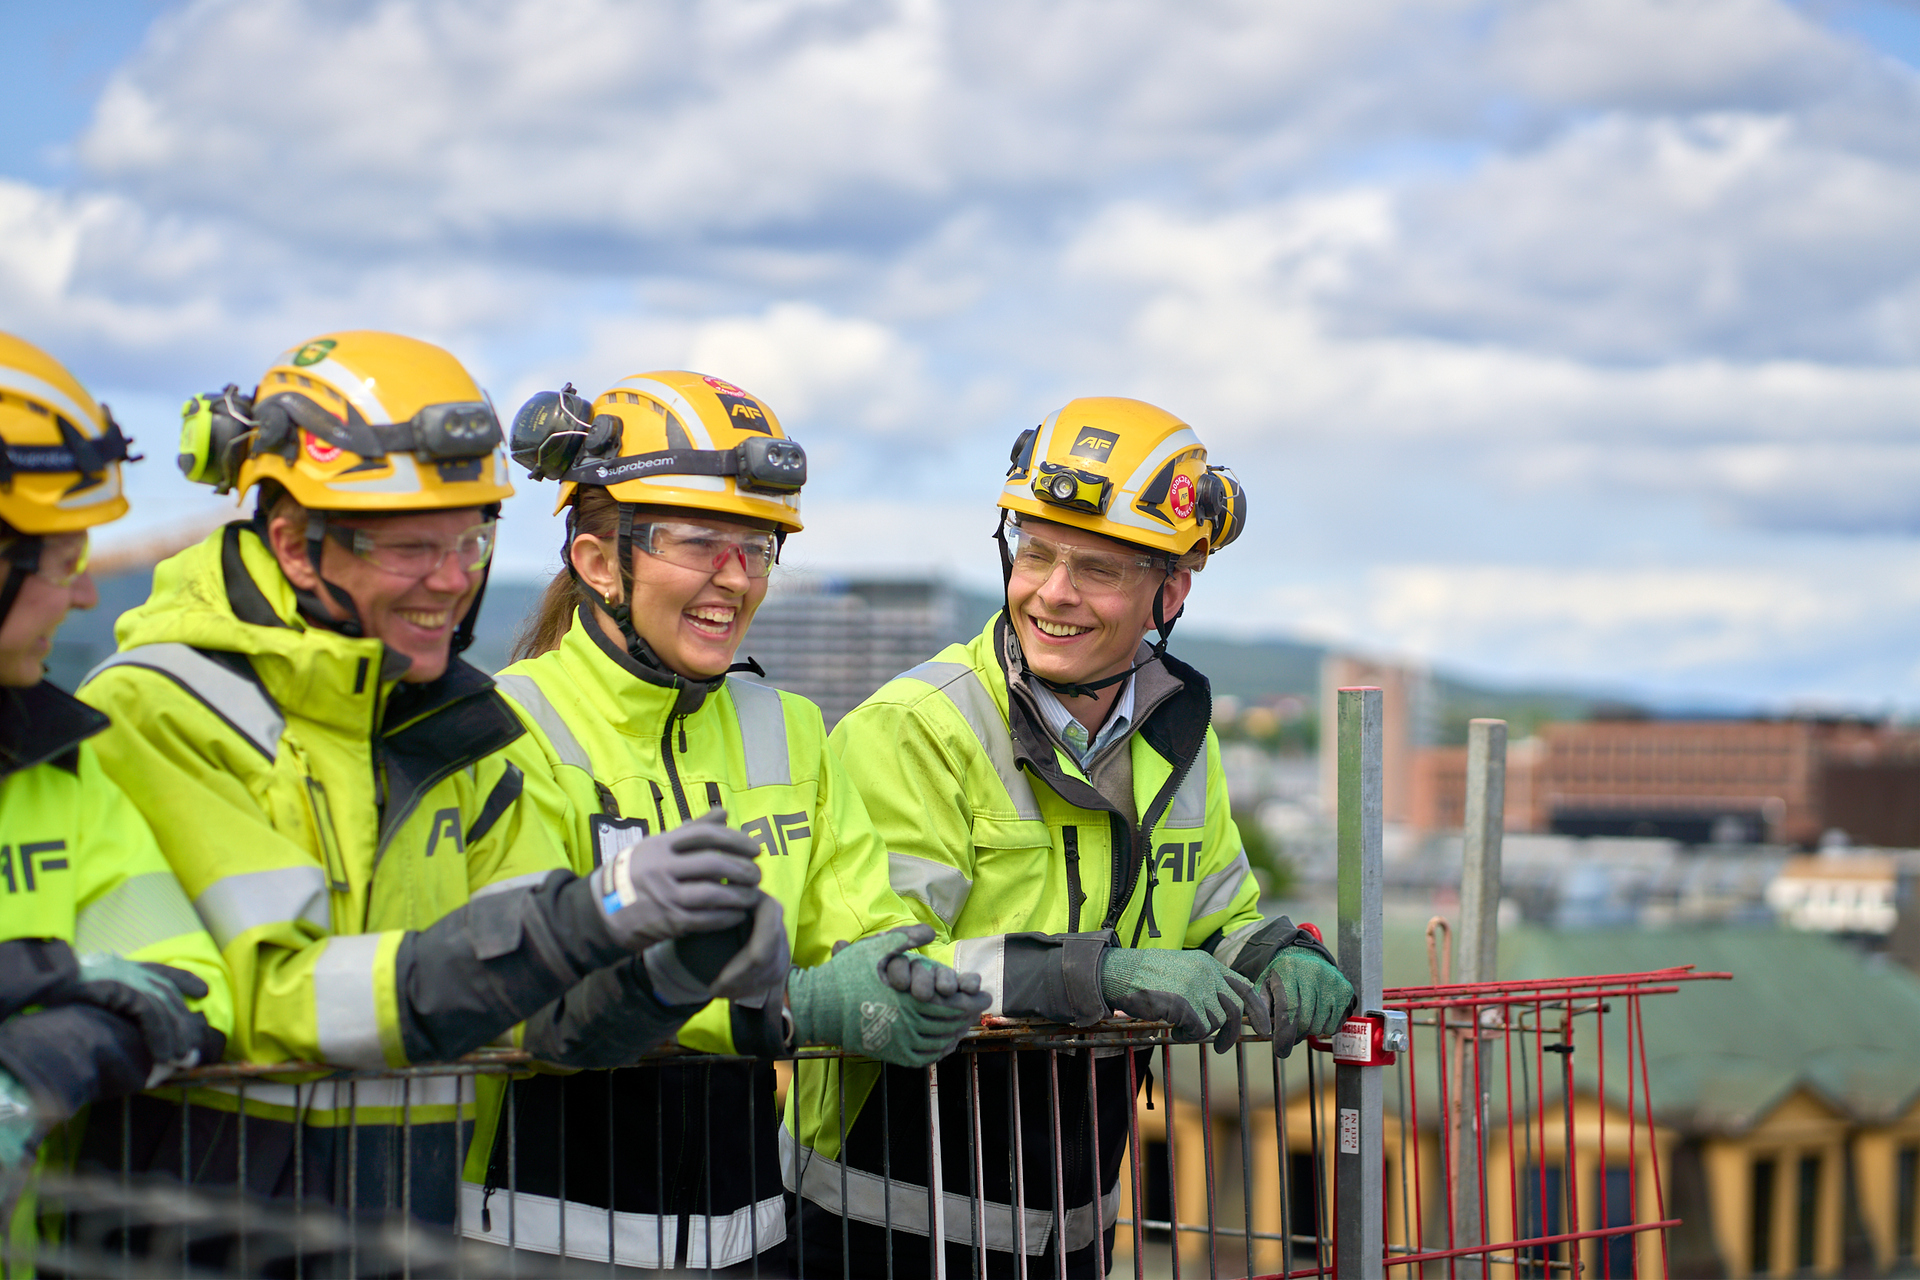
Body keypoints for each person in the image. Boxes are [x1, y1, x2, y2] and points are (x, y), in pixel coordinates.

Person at [74, 332, 779, 1227]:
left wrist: (670, 975)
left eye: (472, 541)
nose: (450, 583)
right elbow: (264, 999)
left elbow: (545, 1018)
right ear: (295, 544)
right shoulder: (157, 711)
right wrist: (579, 920)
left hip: (403, 1234)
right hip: (181, 1238)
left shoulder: (462, 730)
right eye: (411, 549)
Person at [796, 397, 1356, 1276]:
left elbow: (1212, 913)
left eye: (1096, 569)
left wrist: (1278, 954)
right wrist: (1097, 975)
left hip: (1074, 1230)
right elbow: (880, 968)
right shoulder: (916, 728)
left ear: (1169, 590)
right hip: (886, 1228)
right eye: (1037, 553)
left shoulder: (1176, 736)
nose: (1052, 593)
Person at [461, 372, 987, 1273]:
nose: (734, 579)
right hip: (540, 1235)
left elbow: (862, 916)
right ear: (595, 561)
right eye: (701, 542)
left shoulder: (786, 727)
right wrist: (783, 1007)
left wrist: (903, 971)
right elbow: (533, 990)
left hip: (751, 1240)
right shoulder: (507, 726)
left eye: (757, 546)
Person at [0, 333, 231, 1276]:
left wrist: (59, 1050)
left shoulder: (58, 771)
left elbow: (188, 984)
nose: (89, 593)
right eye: (61, 562)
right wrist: (41, 977)